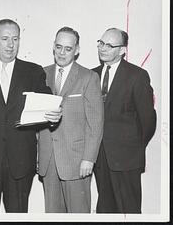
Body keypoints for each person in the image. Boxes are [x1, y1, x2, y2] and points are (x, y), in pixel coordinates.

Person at [0, 19, 62, 212]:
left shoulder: (33, 71)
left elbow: (46, 99)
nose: (11, 44)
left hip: (20, 163)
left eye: (15, 39)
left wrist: (54, 112)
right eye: (5, 38)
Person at [38, 27, 104, 213]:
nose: (62, 52)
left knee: (79, 214)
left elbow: (95, 123)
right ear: (53, 46)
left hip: (77, 161)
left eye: (68, 48)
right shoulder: (41, 74)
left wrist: (89, 159)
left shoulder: (89, 77)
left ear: (77, 50)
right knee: (52, 215)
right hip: (48, 160)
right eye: (58, 47)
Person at [93, 28, 157, 213]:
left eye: (109, 45)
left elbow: (148, 120)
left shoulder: (137, 76)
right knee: (104, 210)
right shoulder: (91, 75)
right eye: (101, 43)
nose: (103, 48)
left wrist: (132, 148)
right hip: (99, 158)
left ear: (122, 50)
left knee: (128, 210)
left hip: (127, 160)